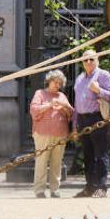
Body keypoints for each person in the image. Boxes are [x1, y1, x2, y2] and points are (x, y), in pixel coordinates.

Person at [72, 49, 110, 198]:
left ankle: (102, 187)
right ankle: (90, 186)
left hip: (97, 118)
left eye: (92, 59)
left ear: (98, 60)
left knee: (101, 154)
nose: (88, 62)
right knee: (87, 154)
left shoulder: (103, 75)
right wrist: (74, 125)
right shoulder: (79, 79)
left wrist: (99, 90)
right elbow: (77, 104)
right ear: (82, 62)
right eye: (85, 60)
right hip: (82, 119)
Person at [30, 70, 73, 198]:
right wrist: (50, 105)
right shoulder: (40, 93)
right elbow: (34, 110)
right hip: (42, 133)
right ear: (49, 81)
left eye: (60, 83)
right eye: (55, 82)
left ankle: (55, 189)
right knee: (41, 161)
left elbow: (71, 113)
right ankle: (39, 190)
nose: (57, 85)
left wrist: (64, 106)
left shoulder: (62, 96)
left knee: (57, 162)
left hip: (60, 133)